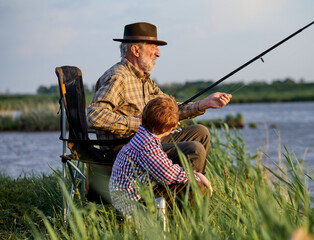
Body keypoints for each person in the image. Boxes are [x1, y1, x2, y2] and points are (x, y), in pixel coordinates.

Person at [87, 22, 231, 178]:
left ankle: (194, 190)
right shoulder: (117, 77)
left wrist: (203, 104)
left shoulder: (145, 79)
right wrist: (141, 124)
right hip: (127, 149)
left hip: (147, 143)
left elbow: (168, 110)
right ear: (136, 50)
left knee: (200, 133)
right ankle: (187, 198)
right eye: (153, 47)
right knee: (194, 149)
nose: (158, 53)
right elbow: (95, 115)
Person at [109, 96, 213, 215]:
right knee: (194, 187)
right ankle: (192, 228)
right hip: (133, 205)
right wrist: (197, 177)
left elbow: (166, 169)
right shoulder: (147, 145)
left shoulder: (142, 136)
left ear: (142, 119)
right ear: (170, 129)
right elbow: (168, 173)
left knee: (188, 182)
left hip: (129, 197)